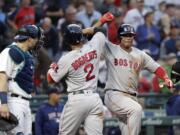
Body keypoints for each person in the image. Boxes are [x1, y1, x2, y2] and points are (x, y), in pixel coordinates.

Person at [47, 12, 114, 135]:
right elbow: (101, 31)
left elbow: (51, 79)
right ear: (82, 35)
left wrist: (52, 67)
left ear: (66, 40)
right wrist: (101, 21)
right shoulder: (94, 45)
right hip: (94, 99)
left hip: (77, 100)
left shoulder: (66, 58)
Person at [103, 24, 173, 135]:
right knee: (136, 109)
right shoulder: (112, 49)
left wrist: (165, 77)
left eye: (130, 35)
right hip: (114, 94)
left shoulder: (139, 54)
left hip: (131, 98)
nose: (128, 37)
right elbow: (100, 39)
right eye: (125, 35)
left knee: (128, 131)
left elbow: (156, 67)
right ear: (120, 37)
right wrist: (106, 23)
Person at [0, 24, 44, 134]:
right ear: (29, 39)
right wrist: (4, 103)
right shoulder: (10, 51)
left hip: (24, 102)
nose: (38, 42)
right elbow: (2, 77)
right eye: (36, 39)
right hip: (13, 101)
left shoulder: (26, 54)